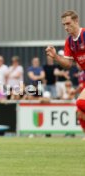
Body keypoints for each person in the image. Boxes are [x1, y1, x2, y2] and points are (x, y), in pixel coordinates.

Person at [46, 10, 85, 139]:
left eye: (68, 23)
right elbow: (68, 65)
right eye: (64, 25)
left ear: (76, 21)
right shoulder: (69, 42)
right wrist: (56, 56)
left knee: (80, 104)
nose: (66, 27)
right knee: (79, 109)